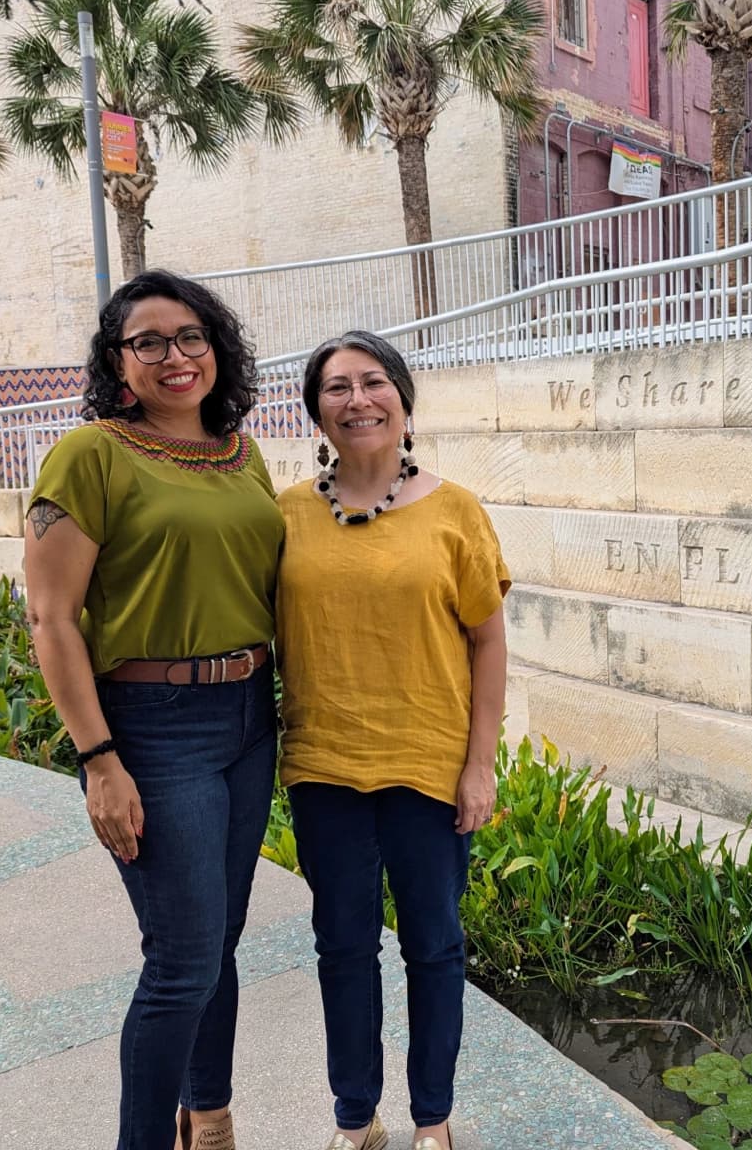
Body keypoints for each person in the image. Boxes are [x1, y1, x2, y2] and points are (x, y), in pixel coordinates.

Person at [24, 271, 283, 1150]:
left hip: (251, 718)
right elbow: (51, 617)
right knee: (181, 962)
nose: (175, 357)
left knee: (222, 941)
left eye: (191, 337)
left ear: (217, 349)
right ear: (117, 361)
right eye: (150, 342)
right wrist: (99, 760)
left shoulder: (244, 454)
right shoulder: (90, 454)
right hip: (154, 727)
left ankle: (207, 1121)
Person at [276, 331, 509, 1150]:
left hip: (429, 766)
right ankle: (357, 1118)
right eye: (336, 387)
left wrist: (479, 767)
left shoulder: (456, 512)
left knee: (434, 951)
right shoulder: (287, 517)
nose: (357, 399)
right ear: (316, 412)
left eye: (374, 382)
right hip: (324, 767)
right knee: (341, 948)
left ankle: (432, 1123)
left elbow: (488, 643)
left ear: (404, 404)